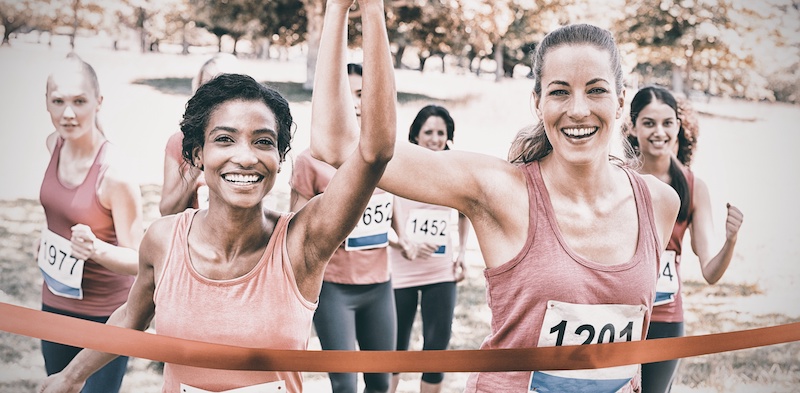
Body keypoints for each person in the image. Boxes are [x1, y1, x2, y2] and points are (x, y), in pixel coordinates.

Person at [39, 0, 396, 390]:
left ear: (279, 158)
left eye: (263, 141)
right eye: (224, 139)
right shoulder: (163, 239)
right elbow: (130, 317)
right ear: (197, 154)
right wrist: (70, 378)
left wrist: (361, 10)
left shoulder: (302, 242)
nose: (245, 157)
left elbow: (374, 152)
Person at [311, 23, 681, 392]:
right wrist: (353, 10)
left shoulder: (659, 203)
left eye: (596, 90)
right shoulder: (500, 191)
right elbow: (340, 144)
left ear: (620, 101)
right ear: (537, 103)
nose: (578, 109)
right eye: (560, 92)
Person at [626, 85, 744, 393]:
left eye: (667, 123)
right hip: (619, 315)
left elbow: (710, 272)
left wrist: (730, 240)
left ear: (678, 127)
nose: (659, 132)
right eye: (649, 123)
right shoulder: (615, 178)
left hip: (665, 320)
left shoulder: (693, 186)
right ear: (633, 127)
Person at [38, 53, 144, 393]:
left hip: (105, 316)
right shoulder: (54, 144)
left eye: (79, 101)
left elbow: (140, 262)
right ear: (47, 103)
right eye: (59, 101)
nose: (68, 113)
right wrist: (47, 242)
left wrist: (96, 249)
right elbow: (61, 212)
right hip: (53, 303)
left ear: (98, 102)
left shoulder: (116, 175)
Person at [290, 62, 398, 392]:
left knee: (382, 383)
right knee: (345, 386)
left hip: (379, 285)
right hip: (333, 288)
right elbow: (297, 234)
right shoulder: (310, 160)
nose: (353, 104)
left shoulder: (387, 155)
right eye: (344, 94)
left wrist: (400, 237)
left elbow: (390, 216)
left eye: (362, 94)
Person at [388, 104, 470, 393]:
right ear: (416, 136)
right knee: (394, 350)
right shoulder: (396, 165)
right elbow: (379, 220)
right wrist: (404, 244)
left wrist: (461, 254)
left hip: (441, 271)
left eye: (441, 133)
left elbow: (465, 212)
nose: (435, 139)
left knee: (436, 351)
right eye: (429, 132)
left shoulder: (454, 170)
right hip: (401, 269)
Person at [159, 52, 241, 215]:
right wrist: (195, 167)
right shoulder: (179, 142)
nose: (213, 94)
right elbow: (167, 211)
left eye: (222, 85)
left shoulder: (248, 143)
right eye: (205, 86)